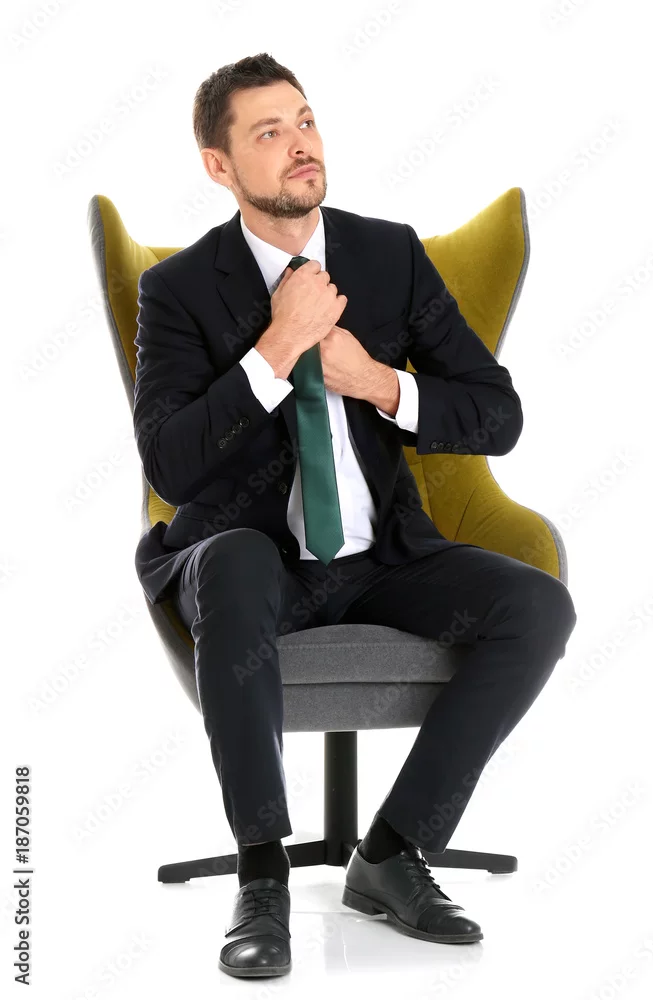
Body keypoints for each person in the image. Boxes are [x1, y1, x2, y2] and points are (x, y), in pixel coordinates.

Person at [132, 52, 577, 979]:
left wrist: (376, 380)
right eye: (268, 132)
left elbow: (496, 416)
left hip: (383, 557)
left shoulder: (387, 255)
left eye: (304, 120)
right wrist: (276, 348)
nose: (300, 144)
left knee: (537, 604)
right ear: (219, 165)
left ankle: (391, 853)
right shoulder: (179, 288)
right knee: (236, 559)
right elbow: (170, 464)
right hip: (249, 563)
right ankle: (262, 876)